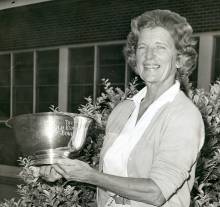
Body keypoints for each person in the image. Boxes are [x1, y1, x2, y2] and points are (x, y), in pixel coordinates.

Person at [37, 9, 205, 207]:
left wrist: (90, 176)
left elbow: (157, 192)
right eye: (142, 47)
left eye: (160, 47)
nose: (149, 56)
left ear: (179, 58)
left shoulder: (183, 116)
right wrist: (68, 170)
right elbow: (116, 173)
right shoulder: (123, 110)